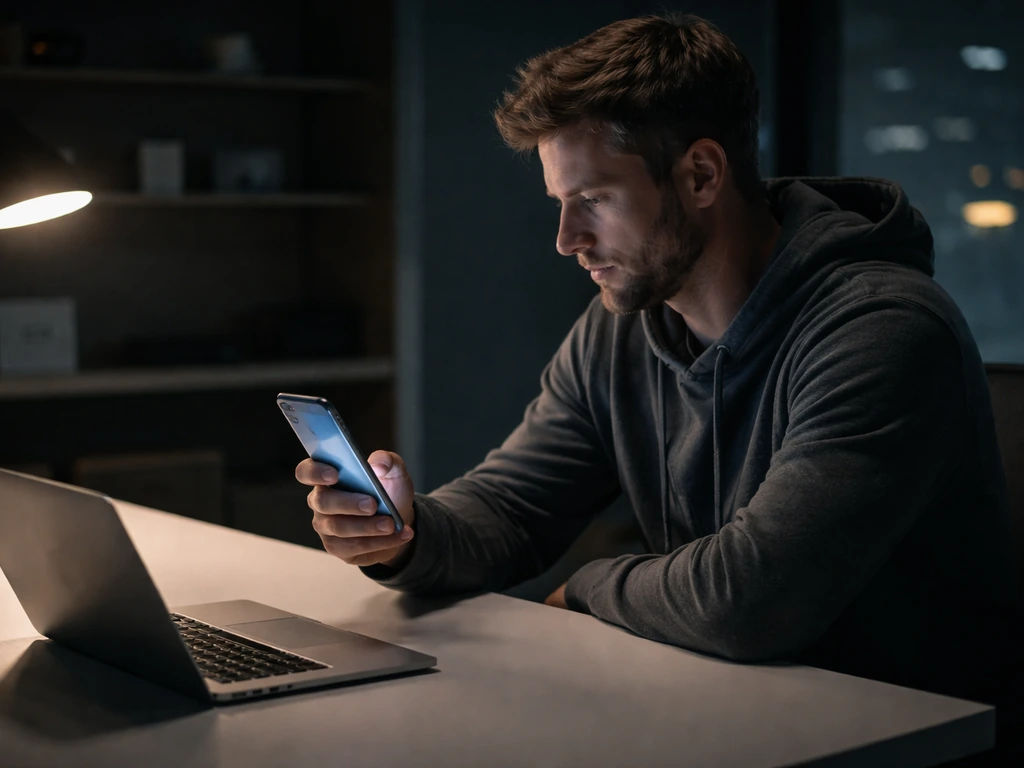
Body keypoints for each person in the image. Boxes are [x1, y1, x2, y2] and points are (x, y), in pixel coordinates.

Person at [296, 13, 1019, 732]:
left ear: (701, 175)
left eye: (595, 201)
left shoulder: (881, 330)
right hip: (723, 713)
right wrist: (408, 534)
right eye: (560, 203)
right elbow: (515, 509)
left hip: (903, 736)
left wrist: (588, 585)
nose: (566, 240)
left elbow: (753, 599)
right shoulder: (621, 329)